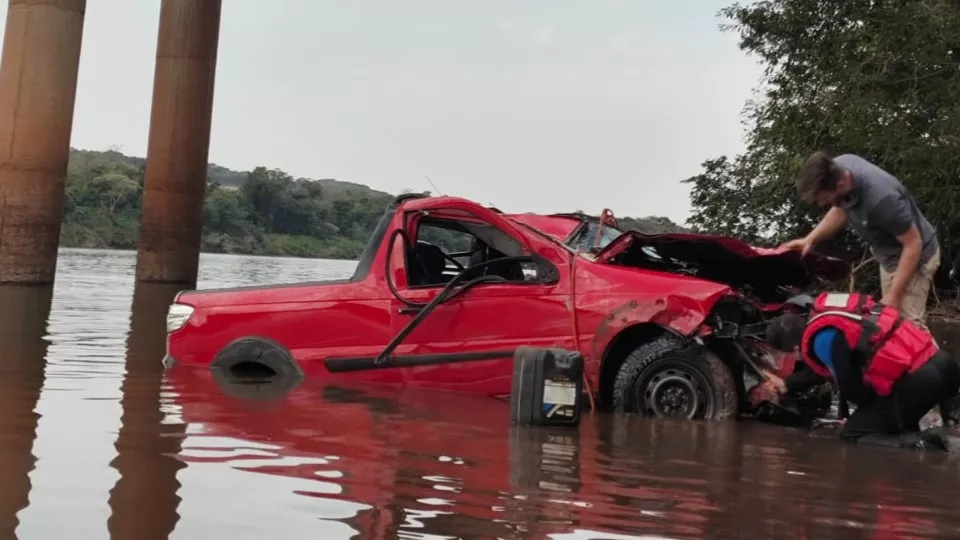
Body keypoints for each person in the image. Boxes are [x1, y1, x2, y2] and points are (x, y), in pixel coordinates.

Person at [762, 291, 960, 451]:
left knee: (853, 434)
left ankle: (925, 445)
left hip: (922, 382)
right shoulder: (834, 319)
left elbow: (854, 392)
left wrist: (865, 411)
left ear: (796, 349)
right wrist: (787, 383)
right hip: (946, 366)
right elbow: (823, 372)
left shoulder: (823, 341)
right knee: (890, 418)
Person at [780, 152, 941, 330]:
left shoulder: (882, 199)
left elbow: (913, 244)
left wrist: (894, 295)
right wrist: (809, 239)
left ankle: (931, 358)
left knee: (910, 326)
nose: (821, 204)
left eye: (824, 198)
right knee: (892, 322)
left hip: (916, 254)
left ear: (840, 185)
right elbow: (840, 209)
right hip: (889, 256)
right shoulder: (839, 167)